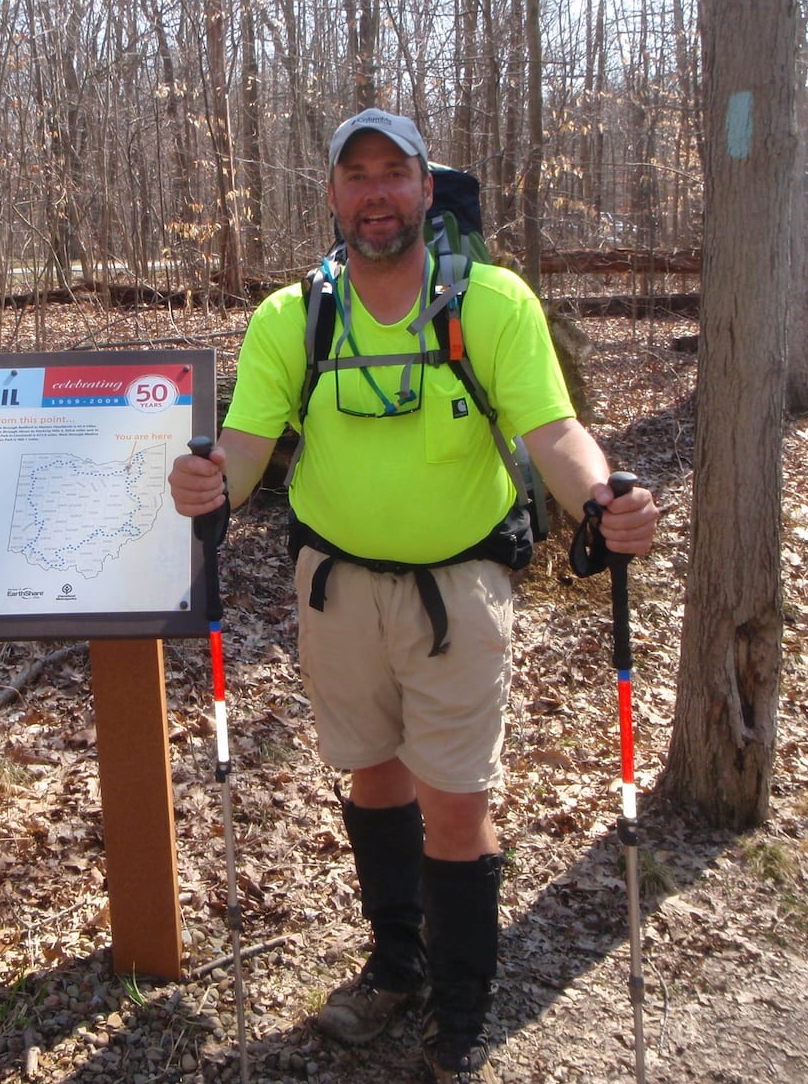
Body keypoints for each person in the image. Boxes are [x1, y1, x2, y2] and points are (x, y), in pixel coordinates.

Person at [169, 108, 659, 1084]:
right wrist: (209, 475)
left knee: (454, 800)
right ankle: (396, 965)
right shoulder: (290, 317)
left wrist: (601, 500)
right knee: (372, 777)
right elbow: (251, 442)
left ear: (426, 191)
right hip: (335, 588)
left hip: (460, 588)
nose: (377, 192)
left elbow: (551, 430)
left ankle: (461, 1010)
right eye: (357, 175)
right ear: (332, 196)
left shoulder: (491, 304)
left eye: (395, 173)